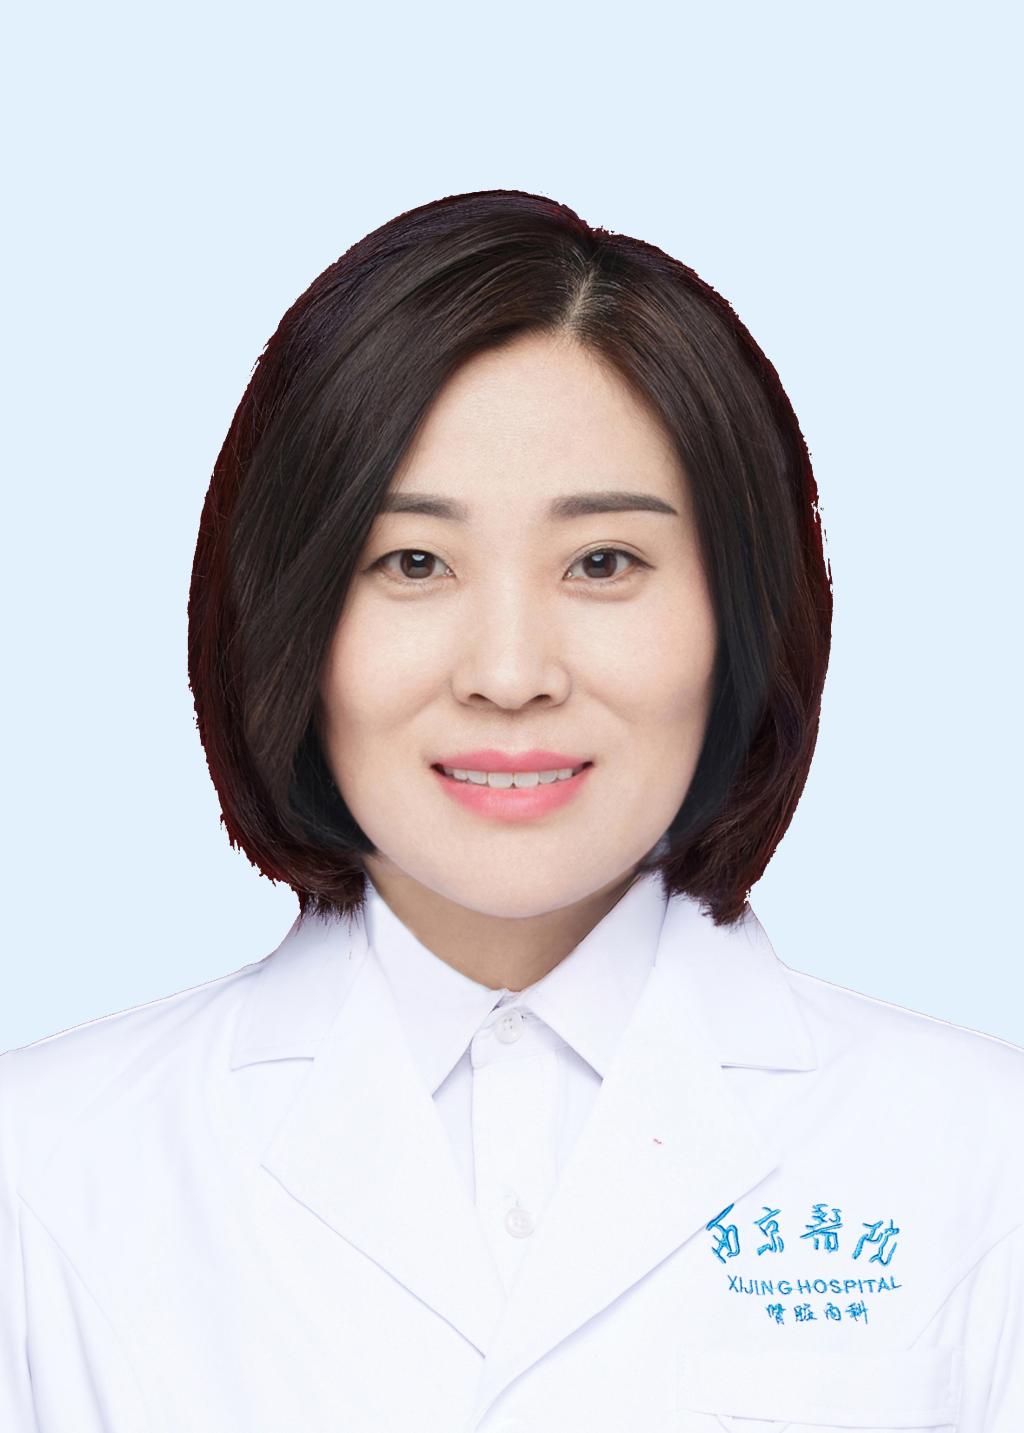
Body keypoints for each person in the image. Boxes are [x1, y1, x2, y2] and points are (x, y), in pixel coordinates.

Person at [1, 189, 1020, 1432]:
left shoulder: (984, 1158)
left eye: (603, 562)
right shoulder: (43, 1169)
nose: (508, 669)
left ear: (742, 614)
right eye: (412, 562)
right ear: (286, 614)